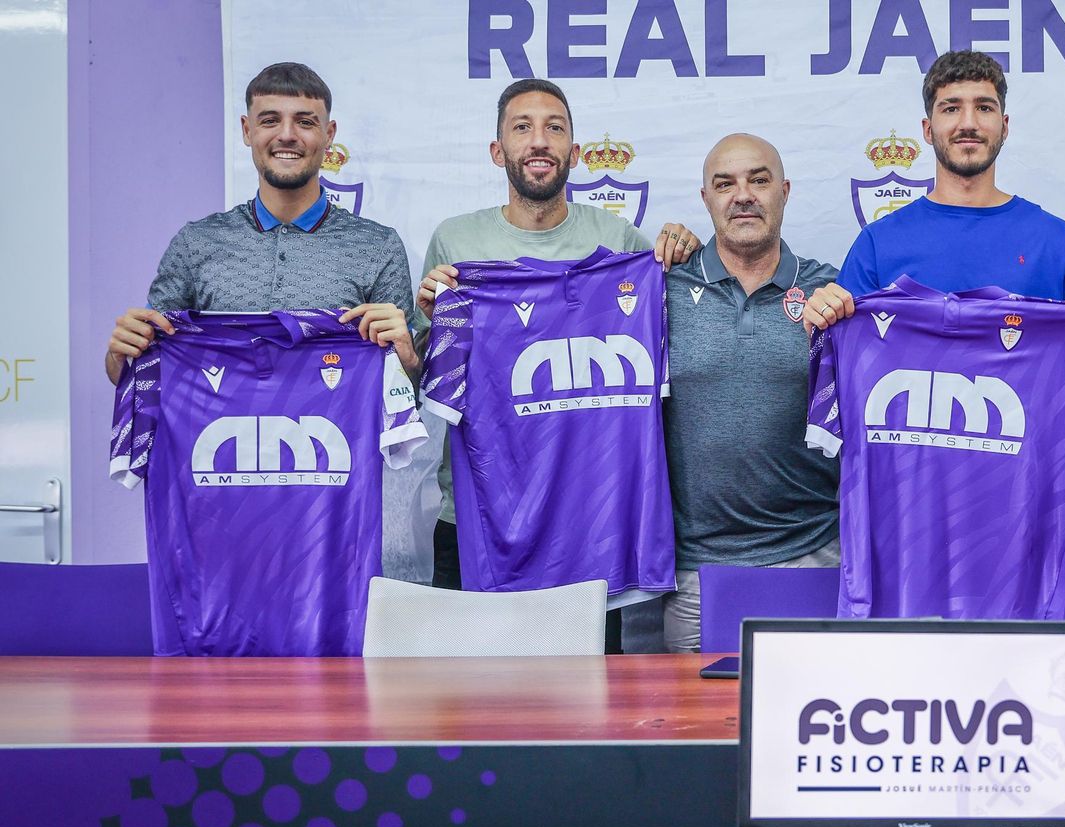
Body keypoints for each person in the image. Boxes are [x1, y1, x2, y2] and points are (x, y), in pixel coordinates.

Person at [413, 78, 699, 651]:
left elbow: (671, 342)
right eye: (522, 127)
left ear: (574, 150)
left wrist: (685, 252)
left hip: (590, 521)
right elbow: (425, 381)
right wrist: (431, 318)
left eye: (554, 127)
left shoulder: (620, 241)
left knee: (588, 709)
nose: (538, 140)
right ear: (499, 152)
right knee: (473, 712)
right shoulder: (456, 242)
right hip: (479, 518)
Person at [622, 134, 841, 654]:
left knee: (810, 720)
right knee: (699, 730)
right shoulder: (660, 290)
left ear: (784, 191)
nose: (743, 195)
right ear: (705, 199)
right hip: (696, 572)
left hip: (813, 554)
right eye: (725, 184)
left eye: (759, 180)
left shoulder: (829, 293)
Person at [106, 62, 417, 382]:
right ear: (247, 130)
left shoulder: (378, 246)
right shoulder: (196, 242)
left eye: (305, 122)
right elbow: (145, 372)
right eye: (270, 120)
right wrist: (121, 357)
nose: (287, 135)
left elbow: (405, 394)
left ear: (329, 135)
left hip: (338, 434)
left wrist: (406, 356)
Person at [802, 50, 1065, 336]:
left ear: (1004, 126)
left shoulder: (1057, 241)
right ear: (928, 130)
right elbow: (846, 362)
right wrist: (821, 323)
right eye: (951, 108)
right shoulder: (877, 244)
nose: (968, 123)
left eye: (984, 107)